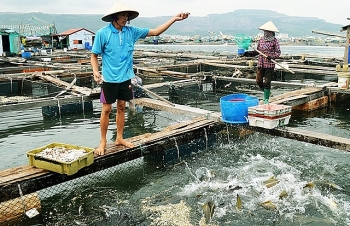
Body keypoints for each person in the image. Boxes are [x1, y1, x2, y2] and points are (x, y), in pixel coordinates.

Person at [91, 1, 189, 155]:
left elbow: (156, 32)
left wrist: (174, 19)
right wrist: (96, 71)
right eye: (124, 15)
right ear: (114, 17)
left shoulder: (132, 32)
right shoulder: (102, 33)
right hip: (109, 79)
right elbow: (94, 55)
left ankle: (120, 138)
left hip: (125, 78)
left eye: (128, 16)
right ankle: (102, 142)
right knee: (107, 109)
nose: (126, 18)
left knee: (122, 106)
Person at [256, 21, 281, 104]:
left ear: (271, 32)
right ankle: (268, 92)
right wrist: (248, 53)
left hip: (269, 64)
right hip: (261, 63)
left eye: (267, 31)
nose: (265, 33)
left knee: (267, 82)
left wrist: (272, 56)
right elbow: (257, 51)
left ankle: (266, 99)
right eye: (264, 31)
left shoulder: (275, 41)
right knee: (258, 81)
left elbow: (278, 52)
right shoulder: (261, 40)